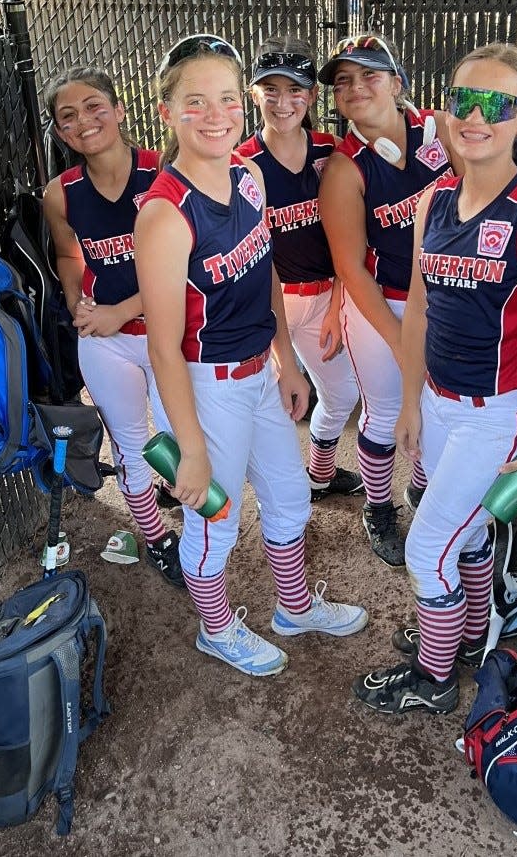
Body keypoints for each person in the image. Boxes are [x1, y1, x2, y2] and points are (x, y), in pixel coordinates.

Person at [352, 43, 517, 714]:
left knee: (427, 548)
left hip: (502, 411)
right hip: (442, 400)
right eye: (461, 100)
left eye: (495, 104)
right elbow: (420, 308)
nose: (474, 116)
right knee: (468, 534)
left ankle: (433, 678)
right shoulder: (436, 202)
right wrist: (412, 403)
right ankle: (465, 633)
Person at [134, 34, 368, 678]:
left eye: (227, 99)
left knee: (290, 495)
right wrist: (191, 445)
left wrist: (286, 362)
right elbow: (161, 345)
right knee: (215, 519)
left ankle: (292, 607)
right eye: (196, 102)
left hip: (259, 372)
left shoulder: (248, 176)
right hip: (205, 385)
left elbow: (263, 271)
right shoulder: (164, 213)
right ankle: (217, 628)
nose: (216, 114)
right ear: (166, 111)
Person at [318, 33, 460, 567]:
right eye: (343, 81)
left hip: (448, 295)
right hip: (383, 304)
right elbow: (351, 268)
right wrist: (402, 342)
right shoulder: (343, 168)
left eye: (369, 75)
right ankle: (378, 506)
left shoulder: (441, 130)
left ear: (398, 83)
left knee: (435, 404)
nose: (355, 87)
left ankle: (421, 490)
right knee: (383, 414)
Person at [42, 66, 183, 587]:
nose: (84, 121)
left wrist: (120, 310)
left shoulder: (165, 172)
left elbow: (186, 268)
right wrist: (80, 304)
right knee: (128, 444)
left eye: (95, 106)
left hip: (169, 334)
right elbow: (68, 253)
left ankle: (194, 524)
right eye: (68, 116)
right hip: (106, 340)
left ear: (121, 110)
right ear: (61, 133)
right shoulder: (60, 193)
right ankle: (156, 539)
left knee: (177, 438)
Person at [236, 35, 363, 503]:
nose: (283, 101)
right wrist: (282, 352)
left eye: (295, 90)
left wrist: (337, 303)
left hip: (331, 293)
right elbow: (253, 262)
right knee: (268, 406)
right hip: (274, 301)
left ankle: (320, 472)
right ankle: (270, 494)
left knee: (343, 393)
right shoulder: (242, 164)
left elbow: (355, 233)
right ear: (254, 94)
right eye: (270, 89)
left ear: (311, 95)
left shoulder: (332, 150)